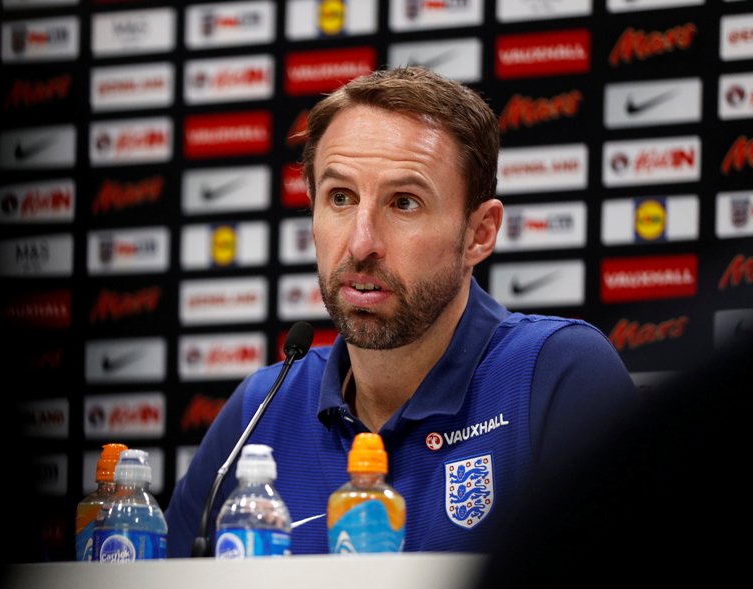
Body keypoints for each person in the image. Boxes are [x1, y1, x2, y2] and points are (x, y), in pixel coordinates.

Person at [165, 65, 638, 557]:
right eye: (340, 198)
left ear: (479, 233)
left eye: (404, 203)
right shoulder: (259, 408)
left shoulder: (554, 376)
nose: (361, 243)